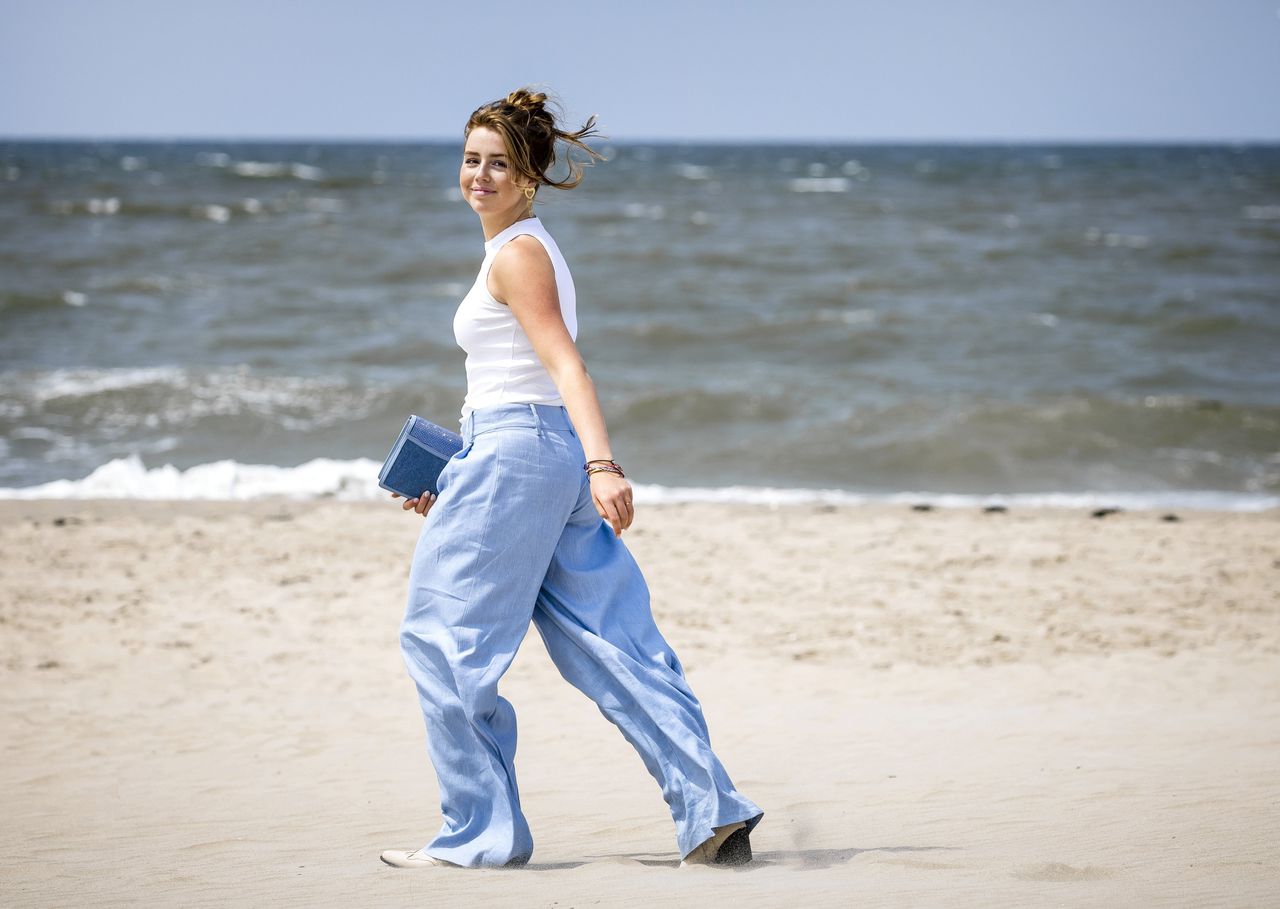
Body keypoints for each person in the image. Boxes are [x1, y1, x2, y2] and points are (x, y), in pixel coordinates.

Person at [380, 87, 762, 870]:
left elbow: (564, 365)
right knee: (610, 642)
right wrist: (473, 476)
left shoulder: (517, 253)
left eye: (499, 164)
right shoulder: (528, 248)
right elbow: (533, 379)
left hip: (525, 451)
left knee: (441, 638)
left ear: (528, 178)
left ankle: (482, 834)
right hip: (531, 454)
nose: (479, 176)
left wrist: (603, 463)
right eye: (471, 159)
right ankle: (711, 809)